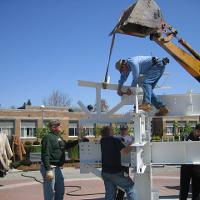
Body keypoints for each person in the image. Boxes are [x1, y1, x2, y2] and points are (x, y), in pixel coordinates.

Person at [40, 119, 81, 200]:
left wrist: (78, 141)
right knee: (50, 192)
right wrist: (48, 169)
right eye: (59, 125)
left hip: (57, 168)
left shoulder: (58, 137)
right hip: (50, 167)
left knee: (60, 190)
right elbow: (45, 154)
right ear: (53, 127)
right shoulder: (48, 137)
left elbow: (66, 145)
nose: (61, 126)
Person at [100, 126, 135, 200]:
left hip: (105, 172)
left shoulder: (102, 140)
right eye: (112, 130)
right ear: (109, 132)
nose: (114, 131)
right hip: (115, 172)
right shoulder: (115, 140)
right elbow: (125, 152)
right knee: (130, 187)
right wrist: (133, 143)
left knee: (110, 194)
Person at [179, 123, 200, 200]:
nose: (199, 134)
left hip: (197, 167)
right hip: (186, 165)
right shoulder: (187, 137)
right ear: (195, 130)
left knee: (197, 189)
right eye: (198, 131)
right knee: (184, 188)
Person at [115, 124, 134, 200]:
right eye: (122, 130)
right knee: (117, 182)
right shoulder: (116, 137)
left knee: (124, 181)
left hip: (125, 163)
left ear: (127, 130)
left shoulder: (131, 138)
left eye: (124, 129)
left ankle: (120, 197)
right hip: (117, 163)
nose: (123, 131)